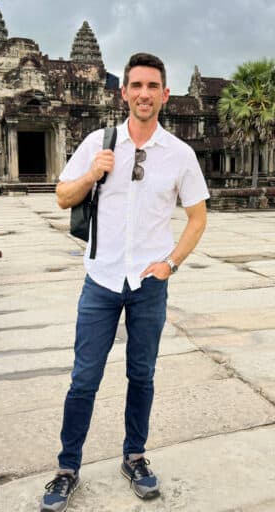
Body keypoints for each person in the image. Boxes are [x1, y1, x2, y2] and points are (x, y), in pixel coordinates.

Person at [40, 52, 209, 511]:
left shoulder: (180, 154)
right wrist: (94, 172)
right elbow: (61, 196)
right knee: (84, 378)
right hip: (101, 281)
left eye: (153, 86)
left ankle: (134, 456)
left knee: (142, 374)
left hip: (149, 284)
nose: (144, 94)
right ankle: (67, 467)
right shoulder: (99, 141)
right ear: (124, 93)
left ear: (165, 94)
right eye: (136, 85)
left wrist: (170, 264)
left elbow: (197, 217)